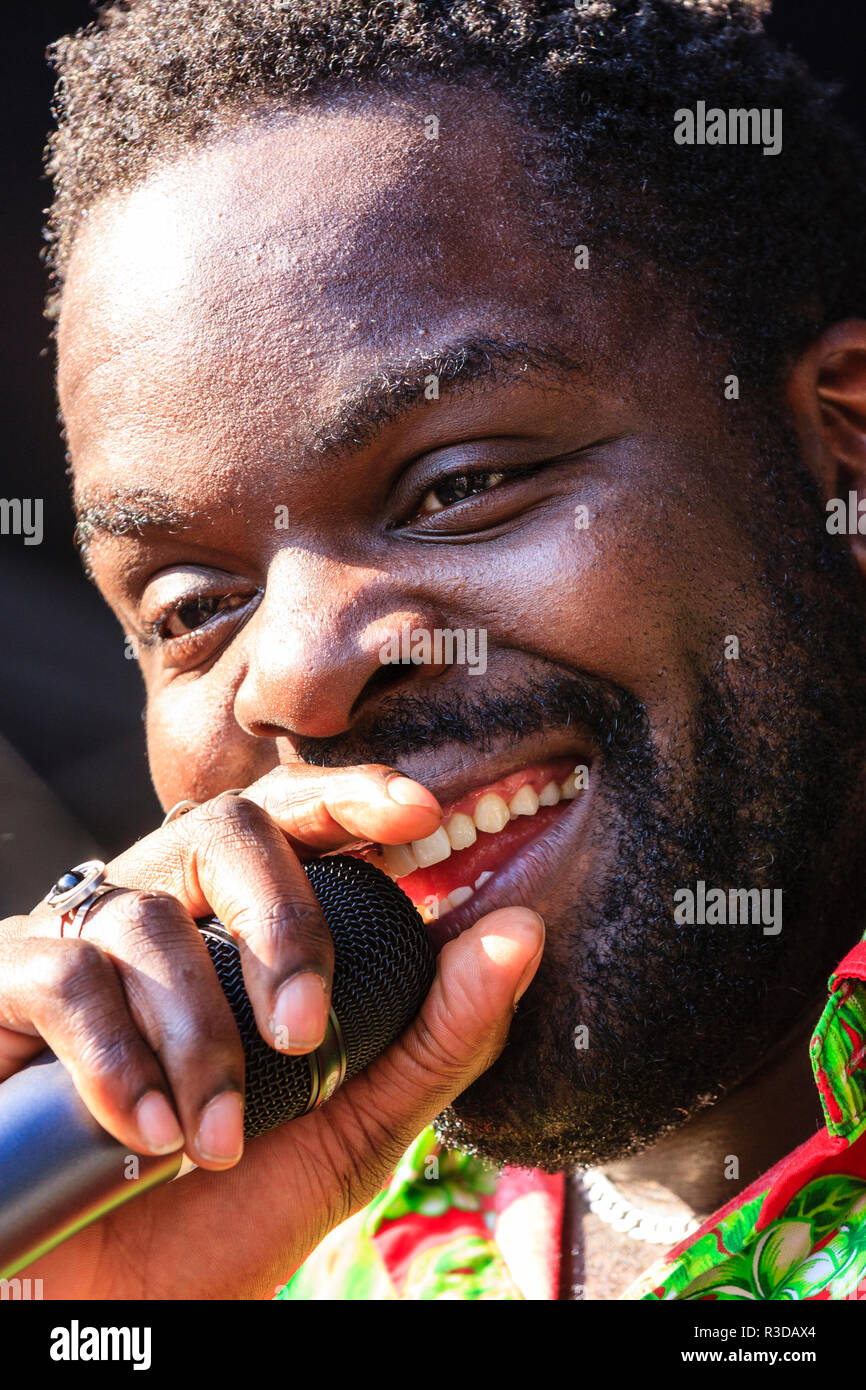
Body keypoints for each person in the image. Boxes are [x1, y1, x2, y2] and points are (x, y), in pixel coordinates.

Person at [6, 0, 866, 1299]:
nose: (293, 674)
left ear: (838, 458)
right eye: (188, 605)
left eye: (457, 486)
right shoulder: (276, 1235)